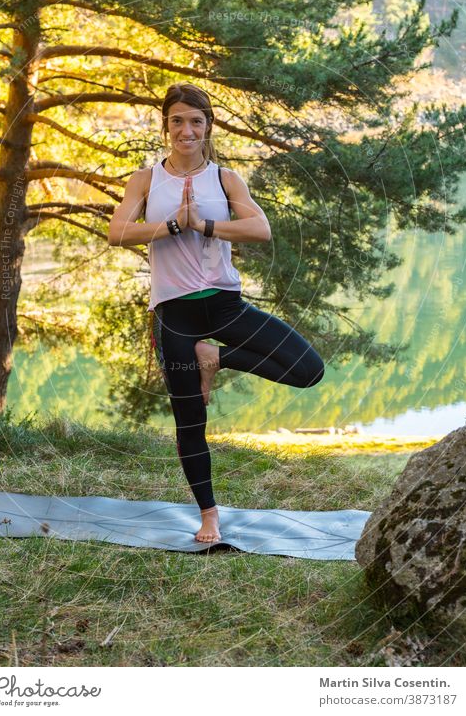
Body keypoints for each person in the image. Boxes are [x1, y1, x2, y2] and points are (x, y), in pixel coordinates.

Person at [108, 83, 325, 543]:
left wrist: (204, 224)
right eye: (177, 121)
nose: (186, 130)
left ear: (208, 127)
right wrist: (170, 225)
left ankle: (216, 357)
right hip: (174, 316)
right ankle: (209, 514)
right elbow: (118, 231)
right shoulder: (145, 180)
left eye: (196, 121)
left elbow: (260, 229)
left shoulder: (225, 178)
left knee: (307, 370)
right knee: (190, 423)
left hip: (224, 307)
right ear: (166, 125)